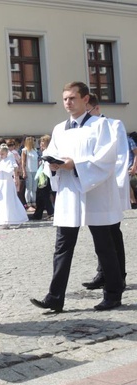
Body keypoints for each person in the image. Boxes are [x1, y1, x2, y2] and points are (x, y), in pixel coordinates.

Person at [30, 82, 122, 312]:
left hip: (95, 192)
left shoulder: (103, 126)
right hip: (69, 193)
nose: (68, 103)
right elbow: (51, 153)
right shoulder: (60, 128)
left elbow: (106, 159)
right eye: (65, 99)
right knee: (62, 247)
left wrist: (76, 165)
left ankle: (113, 293)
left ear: (85, 99)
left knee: (104, 245)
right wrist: (52, 164)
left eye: (72, 98)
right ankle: (55, 297)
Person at [80, 93, 129, 291]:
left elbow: (120, 156)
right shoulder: (82, 128)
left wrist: (115, 184)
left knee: (112, 232)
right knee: (98, 232)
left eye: (87, 111)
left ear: (96, 108)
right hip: (91, 186)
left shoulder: (113, 125)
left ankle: (119, 275)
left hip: (109, 186)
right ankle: (103, 272)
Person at [0, 144, 29, 228]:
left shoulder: (9, 160)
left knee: (9, 200)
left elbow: (10, 170)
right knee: (3, 201)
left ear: (6, 153)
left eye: (2, 154)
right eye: (0, 154)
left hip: (8, 183)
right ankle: (5, 220)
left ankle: (15, 218)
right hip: (2, 182)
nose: (0, 156)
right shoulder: (2, 161)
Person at [32, 135, 55, 220]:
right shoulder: (45, 151)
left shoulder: (48, 151)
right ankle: (38, 214)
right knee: (41, 195)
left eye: (43, 142)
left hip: (46, 174)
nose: (41, 143)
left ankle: (50, 212)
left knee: (43, 194)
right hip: (44, 174)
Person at [21, 137, 39, 209]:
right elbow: (23, 162)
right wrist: (24, 171)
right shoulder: (25, 150)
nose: (34, 142)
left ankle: (33, 202)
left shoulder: (35, 150)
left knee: (34, 188)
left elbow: (37, 161)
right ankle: (28, 203)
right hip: (28, 170)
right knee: (29, 188)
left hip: (35, 170)